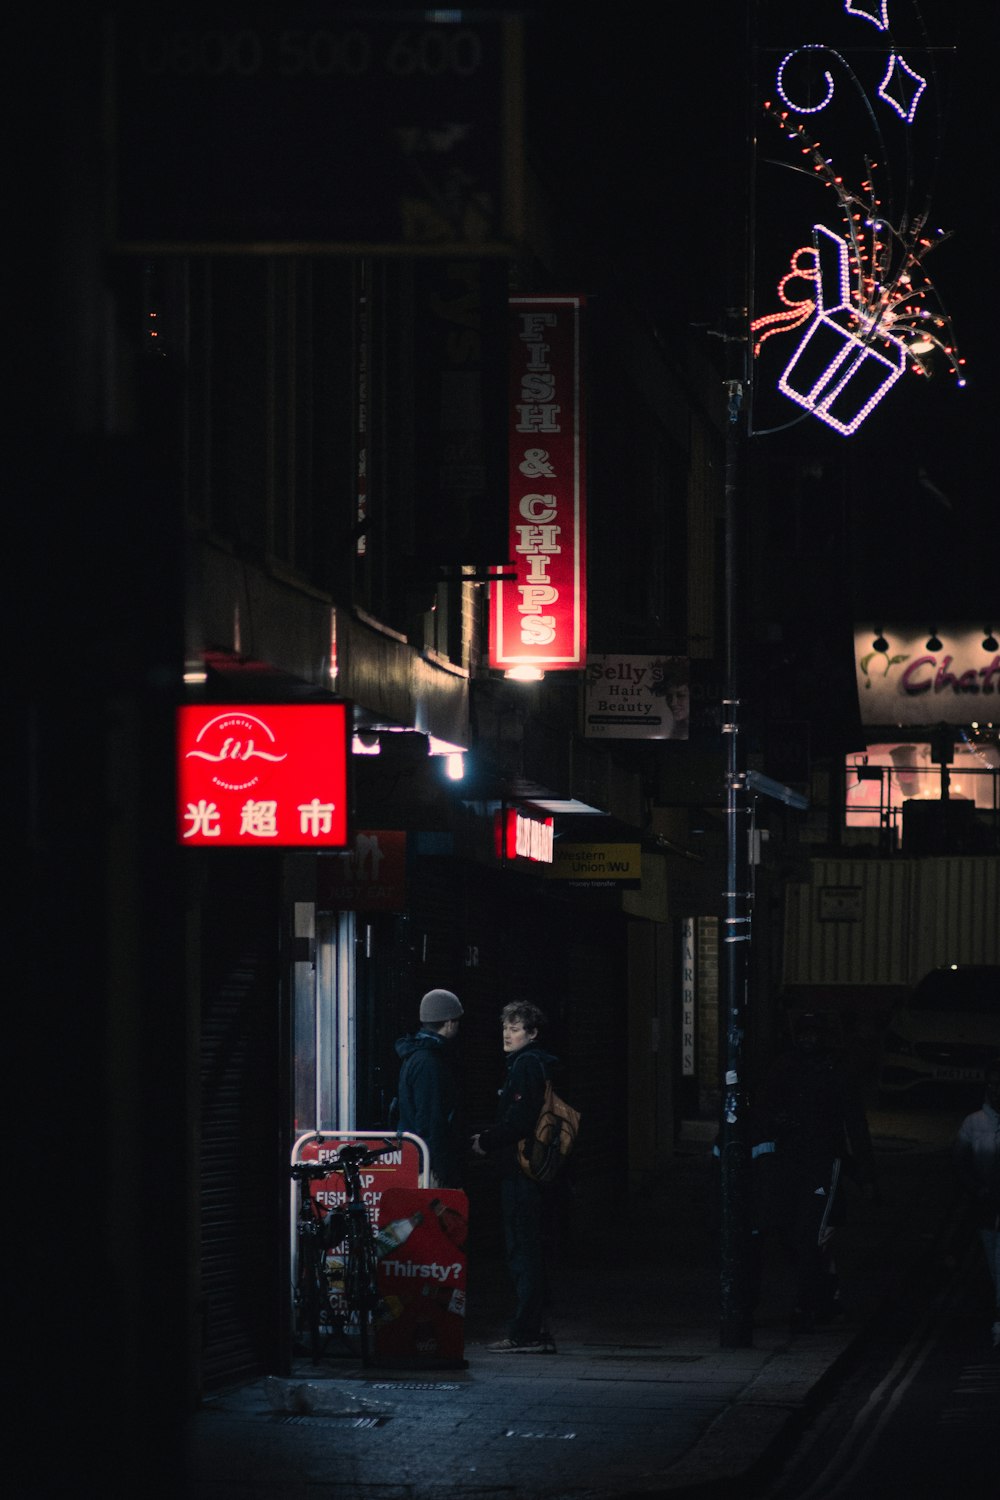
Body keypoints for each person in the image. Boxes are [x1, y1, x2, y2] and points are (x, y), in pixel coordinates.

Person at [758, 1012, 876, 1332]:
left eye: (814, 1033)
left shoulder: (835, 1071)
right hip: (791, 1162)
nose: (809, 1039)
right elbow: (765, 1109)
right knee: (790, 1233)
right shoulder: (784, 1067)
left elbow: (855, 1125)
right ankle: (826, 1292)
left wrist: (865, 1174)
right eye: (803, 1033)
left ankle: (809, 1300)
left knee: (810, 1232)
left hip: (824, 1163)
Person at [471, 1001, 558, 1353]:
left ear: (532, 1033)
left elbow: (519, 1120)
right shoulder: (541, 1065)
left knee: (522, 1251)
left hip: (521, 1172)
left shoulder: (525, 1067)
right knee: (529, 1248)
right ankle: (532, 1327)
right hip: (536, 1170)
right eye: (506, 1027)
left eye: (516, 1028)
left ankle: (525, 1333)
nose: (508, 1034)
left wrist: (486, 1141)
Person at [394, 988, 465, 1189]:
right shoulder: (430, 1062)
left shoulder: (416, 1056)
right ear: (450, 1023)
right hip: (429, 1167)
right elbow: (432, 1121)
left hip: (419, 1161)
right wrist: (444, 1172)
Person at [953, 1058, 1000, 1349]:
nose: (998, 1090)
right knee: (994, 1265)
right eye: (993, 1084)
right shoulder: (974, 1123)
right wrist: (977, 1189)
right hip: (987, 1208)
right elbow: (960, 1163)